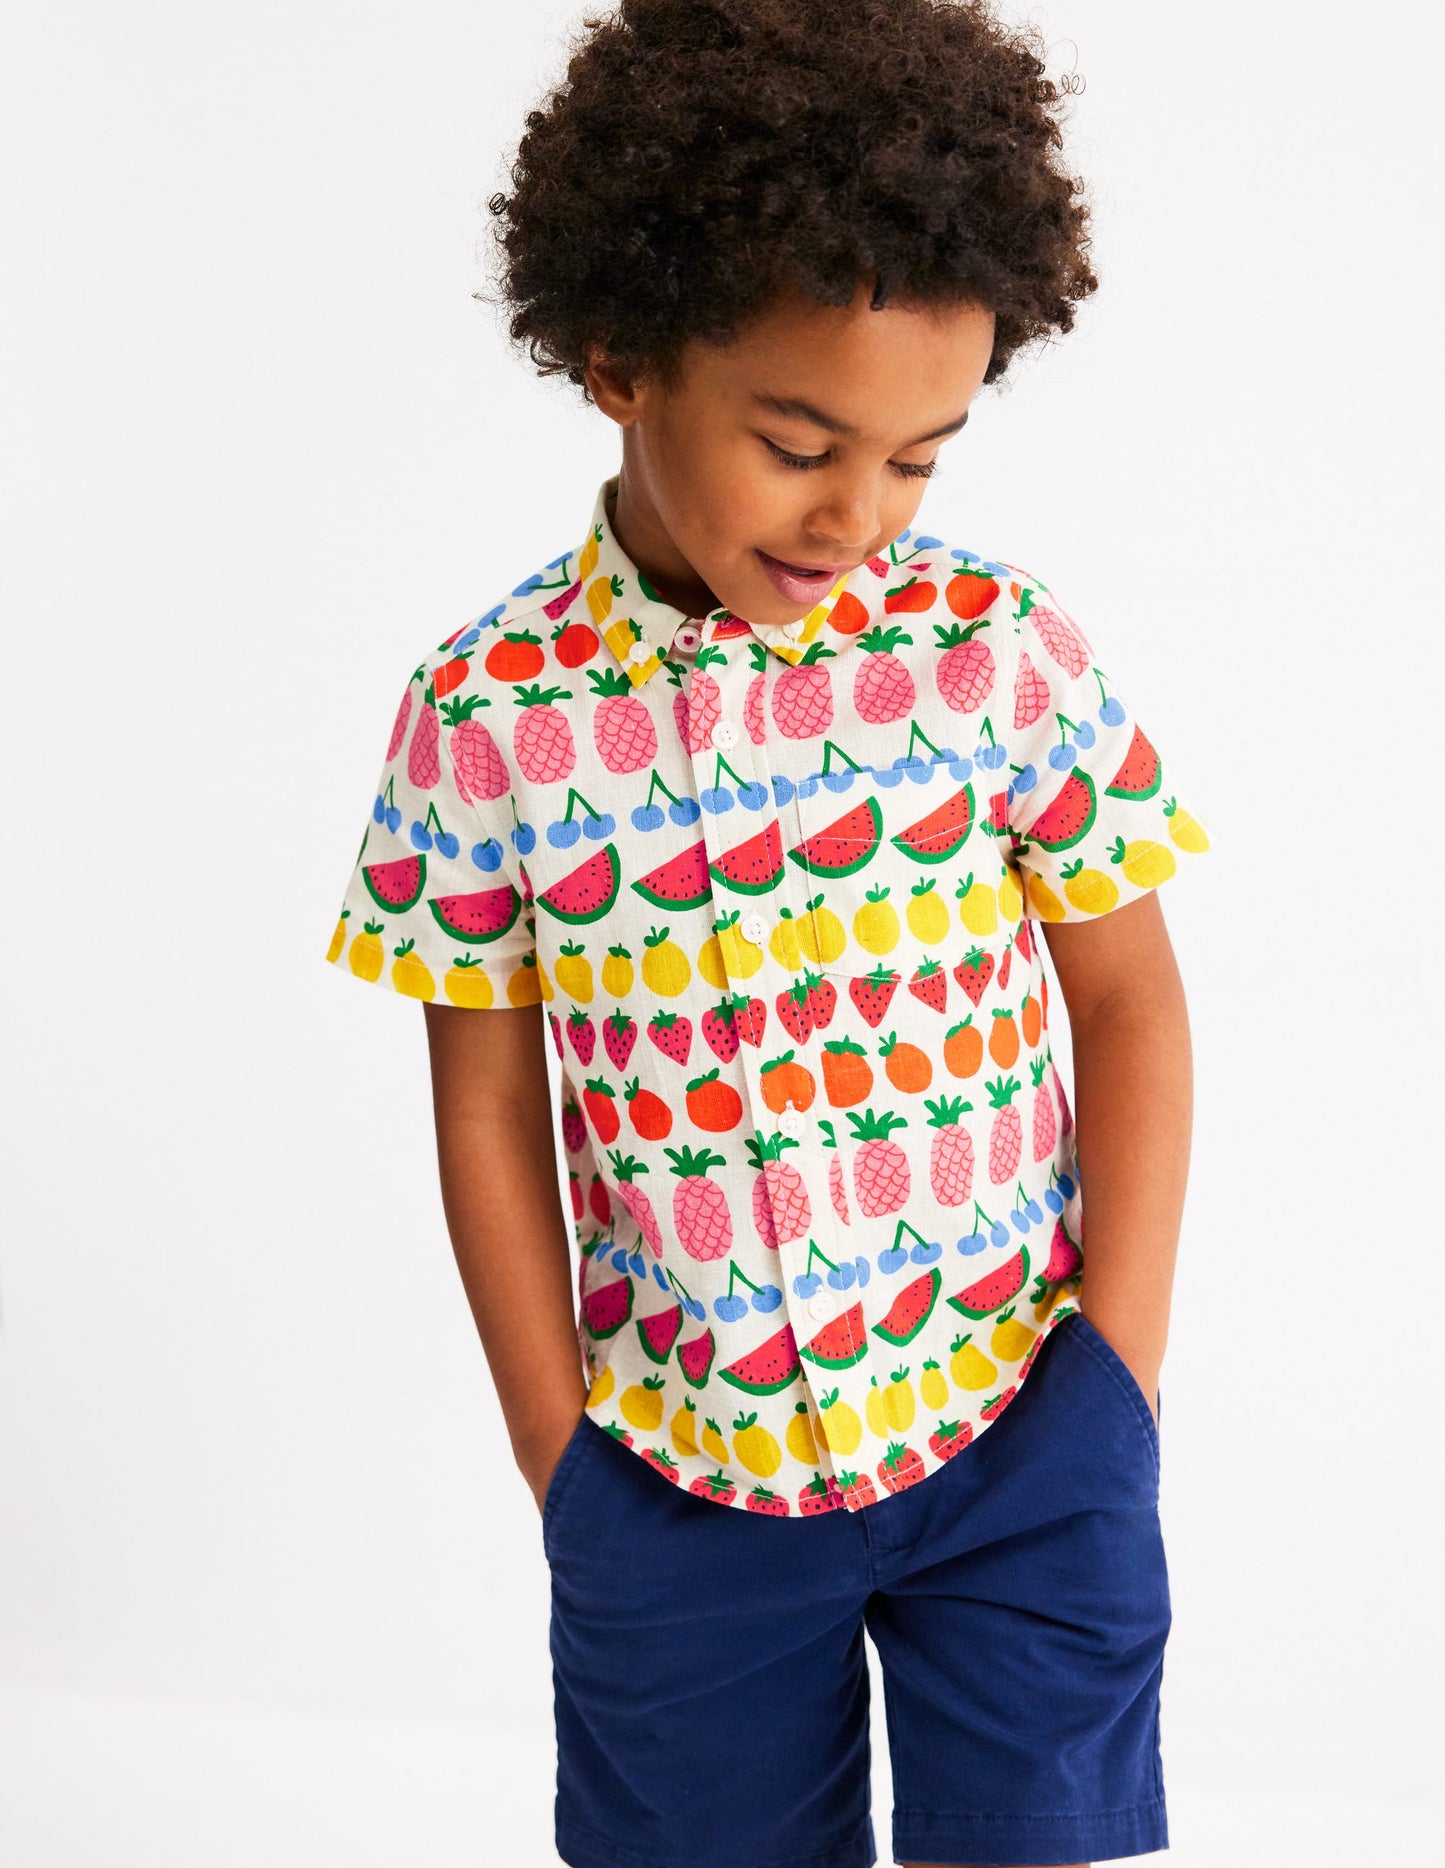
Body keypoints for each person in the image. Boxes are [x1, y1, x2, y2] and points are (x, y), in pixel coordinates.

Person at [322, 3, 1212, 1863]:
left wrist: (1112, 1381)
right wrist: (565, 1461)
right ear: (620, 357)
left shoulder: (992, 651)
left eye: (917, 459)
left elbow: (1127, 998)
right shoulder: (484, 716)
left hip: (1018, 1439)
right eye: (799, 441)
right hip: (676, 1482)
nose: (854, 516)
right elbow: (484, 1107)